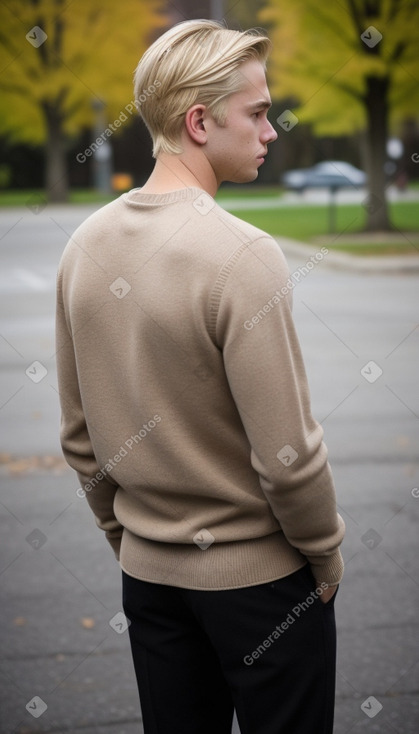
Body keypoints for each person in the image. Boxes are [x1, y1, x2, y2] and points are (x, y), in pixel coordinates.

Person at [56, 18, 345, 734]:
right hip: (261, 587)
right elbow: (287, 454)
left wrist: (132, 540)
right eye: (256, 113)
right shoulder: (241, 254)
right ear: (198, 121)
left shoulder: (83, 245)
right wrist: (325, 549)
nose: (270, 130)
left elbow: (80, 437)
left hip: (149, 584)